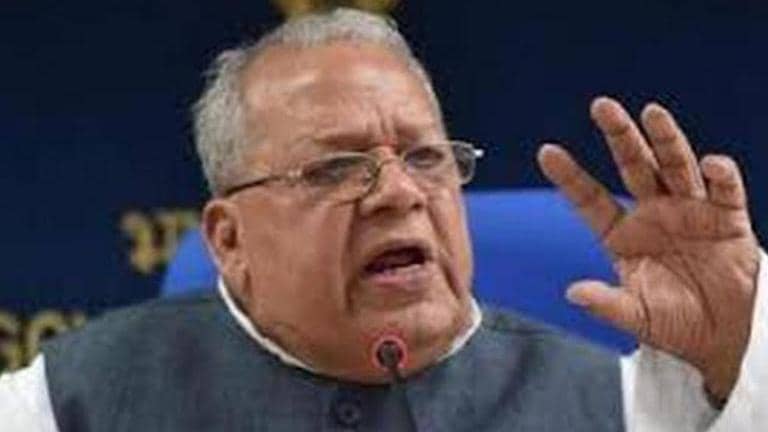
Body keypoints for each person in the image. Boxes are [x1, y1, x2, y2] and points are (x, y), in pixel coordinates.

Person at [1, 8, 766, 431]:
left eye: (426, 157)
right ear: (230, 240)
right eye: (337, 168)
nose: (399, 192)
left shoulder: (620, 409)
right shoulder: (68, 407)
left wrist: (740, 344)